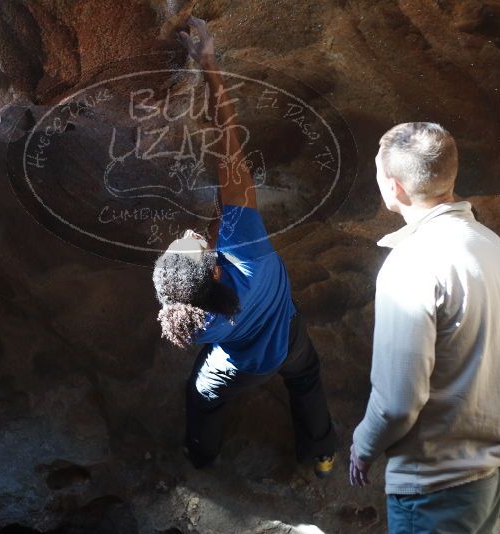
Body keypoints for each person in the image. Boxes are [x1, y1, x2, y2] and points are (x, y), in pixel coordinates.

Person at [151, 16, 337, 476]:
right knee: (306, 380)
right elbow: (228, 144)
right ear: (213, 269)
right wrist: (208, 63)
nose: (195, 235)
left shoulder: (192, 324)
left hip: (239, 363)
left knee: (202, 397)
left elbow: (196, 286)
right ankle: (323, 454)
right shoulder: (247, 248)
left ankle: (202, 455)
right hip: (287, 336)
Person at [349, 122, 500, 533]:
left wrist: (363, 446)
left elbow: (397, 399)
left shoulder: (412, 264)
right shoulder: (495, 248)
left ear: (394, 187)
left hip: (438, 488)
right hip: (491, 476)